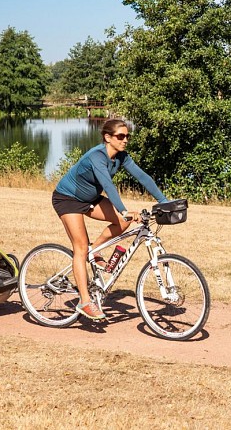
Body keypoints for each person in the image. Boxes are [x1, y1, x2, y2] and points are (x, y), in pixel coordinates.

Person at [52, 118, 168, 321]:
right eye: (120, 136)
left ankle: (93, 252)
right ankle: (85, 301)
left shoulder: (122, 157)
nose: (125, 140)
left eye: (127, 136)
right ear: (107, 137)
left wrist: (164, 201)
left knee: (123, 223)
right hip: (68, 199)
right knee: (80, 248)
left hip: (90, 199)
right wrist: (123, 210)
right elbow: (107, 184)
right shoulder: (97, 156)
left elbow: (143, 177)